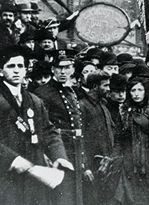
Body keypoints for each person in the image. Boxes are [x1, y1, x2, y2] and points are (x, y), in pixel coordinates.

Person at [0, 45, 71, 205]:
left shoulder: (35, 101)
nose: (17, 70)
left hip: (36, 178)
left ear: (26, 70)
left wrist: (59, 156)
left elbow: (49, 131)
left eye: (20, 66)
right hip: (4, 178)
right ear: (0, 72)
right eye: (11, 66)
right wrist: (13, 159)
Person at [35, 49, 85, 205]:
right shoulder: (43, 92)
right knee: (62, 194)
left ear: (73, 69)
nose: (63, 72)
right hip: (59, 149)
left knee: (76, 193)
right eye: (59, 68)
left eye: (67, 67)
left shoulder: (71, 91)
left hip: (75, 148)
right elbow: (42, 127)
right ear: (53, 69)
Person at [115, 75, 149, 205]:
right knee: (133, 196)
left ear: (146, 91)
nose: (136, 94)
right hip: (131, 160)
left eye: (140, 90)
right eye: (133, 90)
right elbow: (119, 137)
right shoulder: (124, 110)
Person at [79, 71, 115, 205]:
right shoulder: (82, 106)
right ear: (94, 87)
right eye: (105, 86)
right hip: (92, 167)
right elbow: (80, 138)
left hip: (105, 164)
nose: (109, 89)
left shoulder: (103, 105)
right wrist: (85, 167)